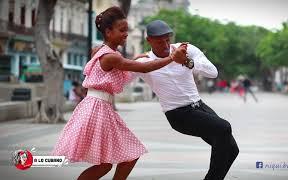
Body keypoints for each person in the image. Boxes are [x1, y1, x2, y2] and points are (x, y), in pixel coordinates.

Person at [52, 7, 187, 180]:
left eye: (127, 30)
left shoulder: (100, 50)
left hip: (97, 107)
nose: (126, 34)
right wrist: (171, 58)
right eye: (122, 30)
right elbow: (144, 68)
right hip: (97, 109)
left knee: (110, 163)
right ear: (108, 32)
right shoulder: (111, 57)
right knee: (123, 158)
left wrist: (137, 58)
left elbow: (124, 69)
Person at [134, 20, 239, 180]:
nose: (165, 44)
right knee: (224, 127)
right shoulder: (144, 62)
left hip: (200, 107)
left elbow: (213, 72)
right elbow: (120, 76)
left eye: (167, 39)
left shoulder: (186, 49)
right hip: (179, 114)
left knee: (231, 149)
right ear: (149, 40)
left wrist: (187, 62)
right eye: (159, 41)